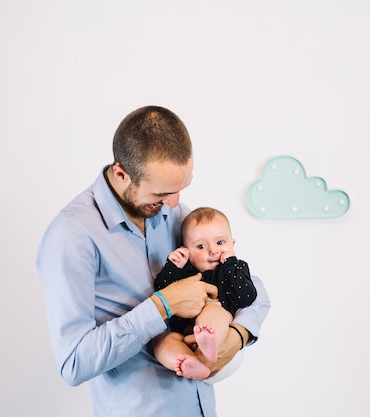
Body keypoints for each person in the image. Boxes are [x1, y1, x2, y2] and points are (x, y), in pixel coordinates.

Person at [36, 105, 270, 417]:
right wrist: (162, 306)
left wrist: (238, 336)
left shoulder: (175, 213)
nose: (174, 203)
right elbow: (74, 364)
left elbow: (254, 288)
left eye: (181, 188)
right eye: (162, 193)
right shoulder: (71, 236)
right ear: (122, 174)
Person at [151, 207, 257, 380]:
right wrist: (174, 266)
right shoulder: (186, 272)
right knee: (162, 341)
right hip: (184, 332)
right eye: (201, 246)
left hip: (218, 325)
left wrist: (230, 264)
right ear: (186, 250)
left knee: (213, 311)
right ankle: (189, 363)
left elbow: (247, 297)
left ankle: (209, 342)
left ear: (232, 244)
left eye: (221, 243)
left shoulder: (235, 268)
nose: (213, 251)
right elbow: (162, 290)